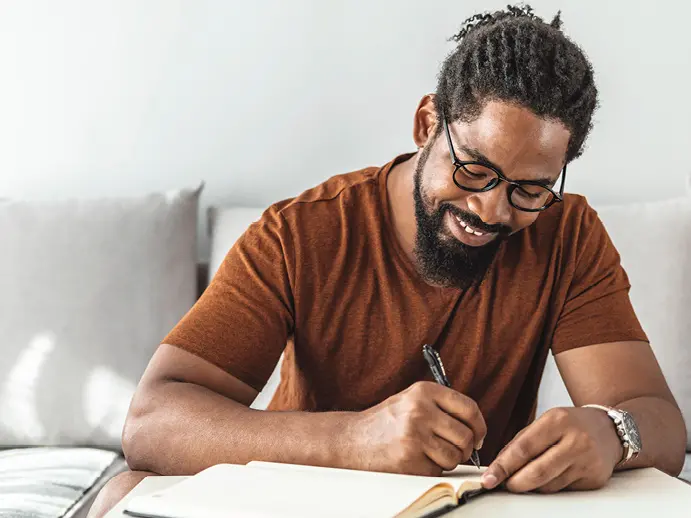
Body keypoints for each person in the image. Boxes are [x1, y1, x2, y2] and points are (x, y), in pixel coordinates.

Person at [89, 5, 686, 516]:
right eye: (473, 169)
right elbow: (152, 423)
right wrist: (353, 438)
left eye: (528, 189)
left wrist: (614, 433)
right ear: (428, 123)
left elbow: (659, 419)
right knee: (121, 491)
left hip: (474, 505)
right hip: (304, 500)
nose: (491, 209)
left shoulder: (566, 235)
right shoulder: (301, 233)